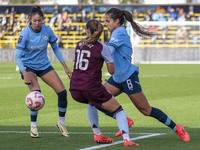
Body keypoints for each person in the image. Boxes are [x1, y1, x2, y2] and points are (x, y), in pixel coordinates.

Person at [87, 7, 190, 142]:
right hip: (117, 78)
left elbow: (109, 51)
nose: (105, 24)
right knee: (94, 99)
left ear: (117, 21)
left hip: (128, 77)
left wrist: (90, 53)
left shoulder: (119, 33)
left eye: (107, 21)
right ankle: (124, 120)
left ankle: (177, 128)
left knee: (146, 110)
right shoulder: (116, 32)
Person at [69, 19, 139, 147]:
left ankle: (97, 134)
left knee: (91, 103)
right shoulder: (102, 47)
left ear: (87, 31)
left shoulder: (79, 44)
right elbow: (111, 71)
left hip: (74, 88)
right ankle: (127, 139)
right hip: (91, 87)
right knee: (119, 110)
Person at [15, 6, 72, 138]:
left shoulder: (47, 30)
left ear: (43, 20)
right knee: (36, 94)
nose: (37, 23)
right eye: (34, 20)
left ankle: (61, 123)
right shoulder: (25, 33)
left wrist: (65, 67)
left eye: (39, 20)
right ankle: (33, 126)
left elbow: (56, 49)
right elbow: (17, 57)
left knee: (62, 92)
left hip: (44, 66)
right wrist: (24, 73)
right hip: (28, 66)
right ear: (30, 19)